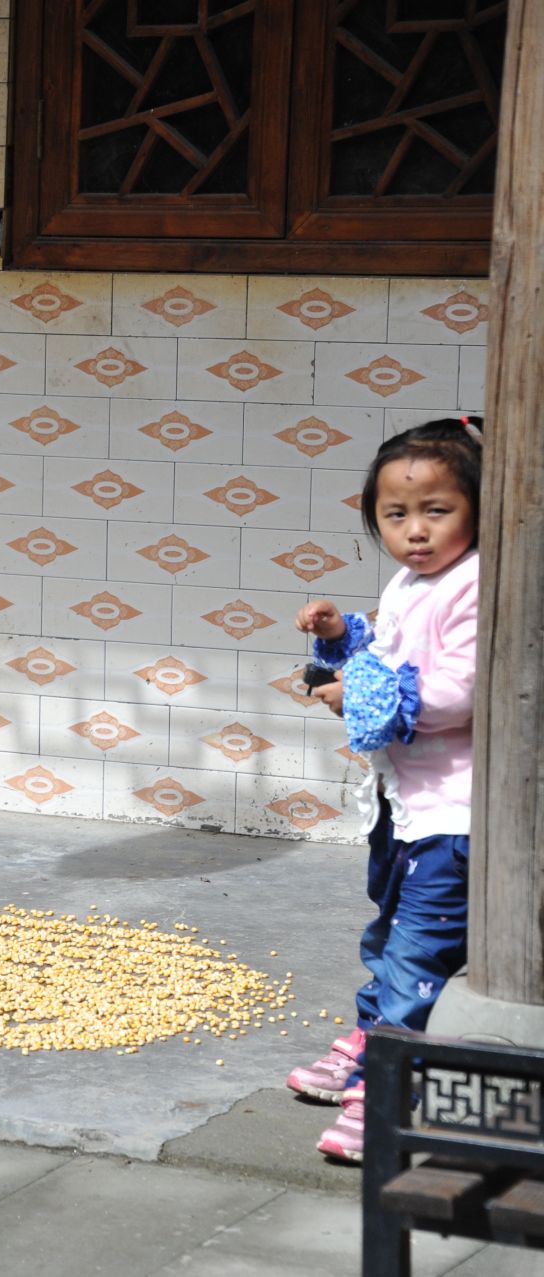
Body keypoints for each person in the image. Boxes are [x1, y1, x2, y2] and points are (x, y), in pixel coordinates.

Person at [286, 415, 482, 1163]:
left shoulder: (475, 582)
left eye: (438, 510)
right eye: (396, 515)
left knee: (418, 953)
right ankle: (374, 1043)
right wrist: (343, 637)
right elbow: (390, 653)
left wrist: (354, 692)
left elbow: (453, 691)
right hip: (404, 806)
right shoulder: (413, 581)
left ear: (479, 508)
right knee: (391, 934)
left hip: (454, 813)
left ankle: (391, 1095)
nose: (416, 531)